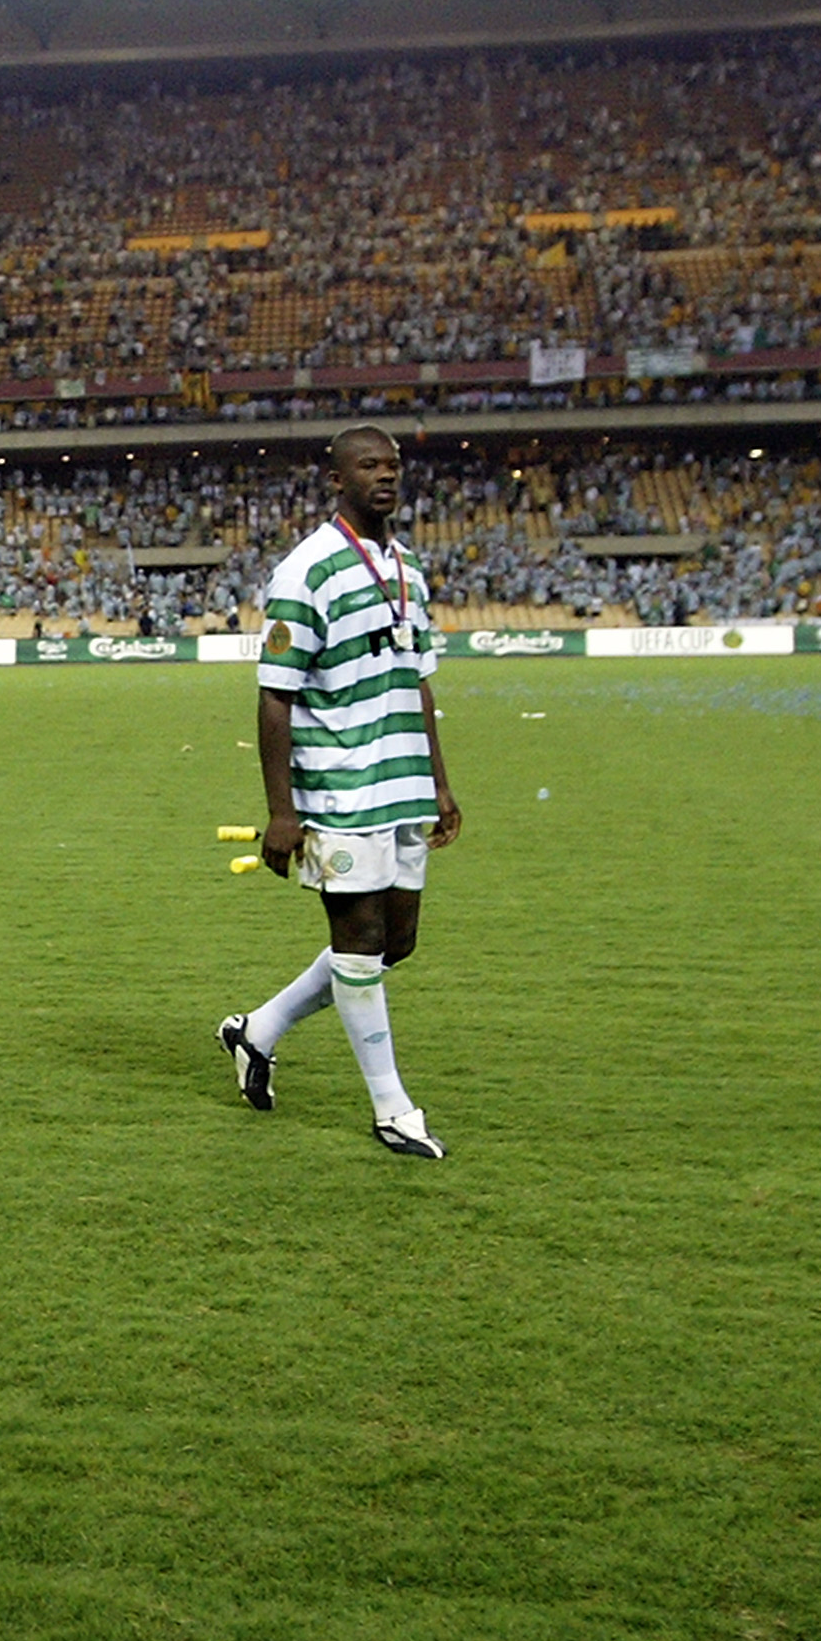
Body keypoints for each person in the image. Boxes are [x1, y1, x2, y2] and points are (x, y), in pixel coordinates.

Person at [219, 426, 462, 1157]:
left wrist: (439, 782)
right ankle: (393, 1110)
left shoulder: (408, 568)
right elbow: (274, 697)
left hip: (401, 785)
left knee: (397, 943)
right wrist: (282, 810)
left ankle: (257, 1030)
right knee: (358, 943)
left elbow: (418, 678)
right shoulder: (307, 570)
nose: (384, 477)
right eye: (368, 466)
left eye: (392, 465)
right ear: (338, 480)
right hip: (337, 786)